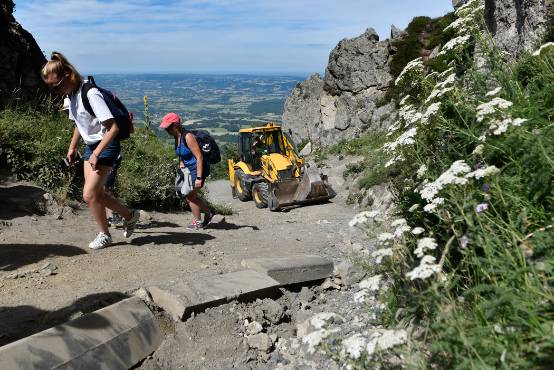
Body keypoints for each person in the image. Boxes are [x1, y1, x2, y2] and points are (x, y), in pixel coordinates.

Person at [41, 51, 139, 249]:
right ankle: (130, 216)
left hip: (106, 145)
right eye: (51, 88)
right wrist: (72, 146)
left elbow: (113, 128)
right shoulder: (71, 95)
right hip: (91, 146)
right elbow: (79, 123)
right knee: (96, 194)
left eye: (57, 85)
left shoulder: (90, 93)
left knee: (88, 194)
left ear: (68, 74)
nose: (56, 91)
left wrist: (96, 153)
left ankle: (105, 234)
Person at [160, 112, 213, 230]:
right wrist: (182, 166)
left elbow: (199, 157)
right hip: (188, 171)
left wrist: (199, 177)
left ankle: (200, 219)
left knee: (189, 196)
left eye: (168, 127)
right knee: (190, 196)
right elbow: (182, 154)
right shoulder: (176, 137)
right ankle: (207, 214)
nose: (166, 130)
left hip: (197, 170)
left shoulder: (188, 137)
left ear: (176, 125)